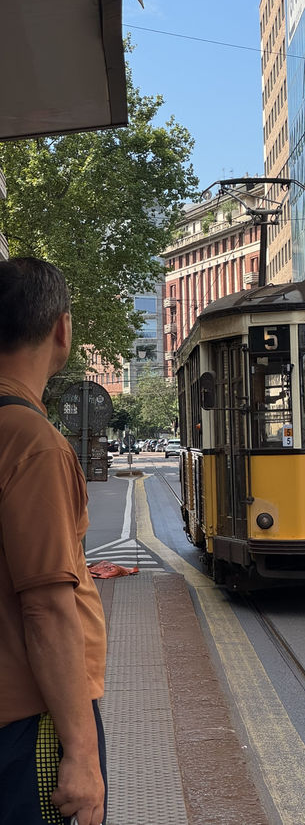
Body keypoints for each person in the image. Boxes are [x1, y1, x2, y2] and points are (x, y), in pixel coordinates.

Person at [0, 258, 107, 825]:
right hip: (28, 726)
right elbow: (45, 607)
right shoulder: (31, 442)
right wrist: (83, 755)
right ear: (61, 328)